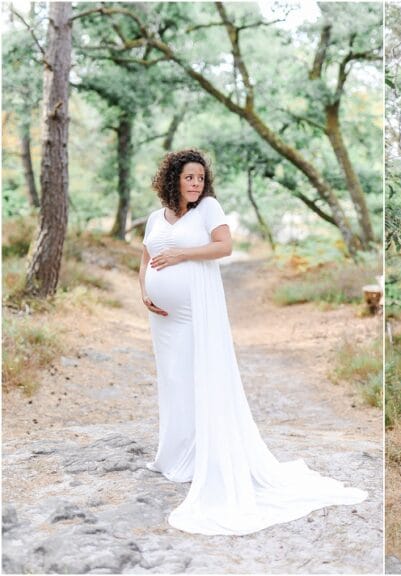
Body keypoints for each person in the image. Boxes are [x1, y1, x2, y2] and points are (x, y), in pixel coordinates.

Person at [139, 149, 367, 535]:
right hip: (164, 317)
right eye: (188, 177)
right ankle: (176, 455)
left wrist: (181, 256)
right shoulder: (154, 218)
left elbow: (223, 248)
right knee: (173, 380)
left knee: (200, 376)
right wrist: (144, 290)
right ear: (172, 178)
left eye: (199, 177)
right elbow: (145, 257)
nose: (195, 183)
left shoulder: (208, 208)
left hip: (197, 311)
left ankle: (204, 458)